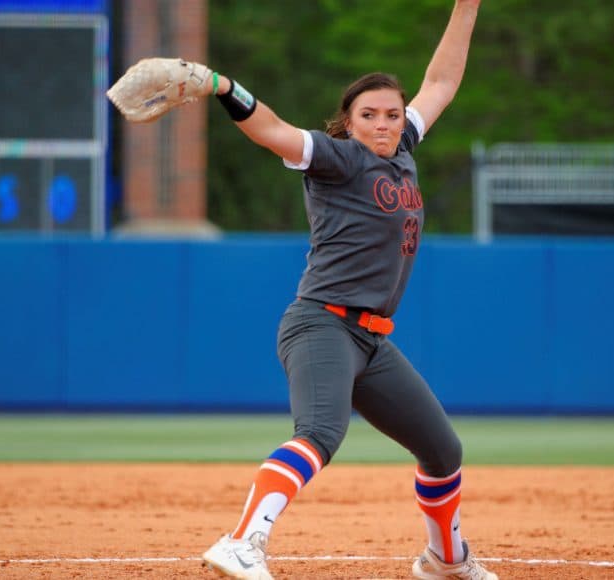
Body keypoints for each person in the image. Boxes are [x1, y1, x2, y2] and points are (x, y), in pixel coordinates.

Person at [197, 2, 493, 578]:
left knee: (443, 451)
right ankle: (240, 542)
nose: (383, 123)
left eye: (391, 113)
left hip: (371, 341)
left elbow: (442, 81)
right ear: (349, 122)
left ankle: (445, 559)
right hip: (321, 324)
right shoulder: (337, 159)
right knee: (321, 434)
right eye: (369, 115)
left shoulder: (403, 148)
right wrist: (223, 86)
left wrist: (467, 7)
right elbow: (271, 131)